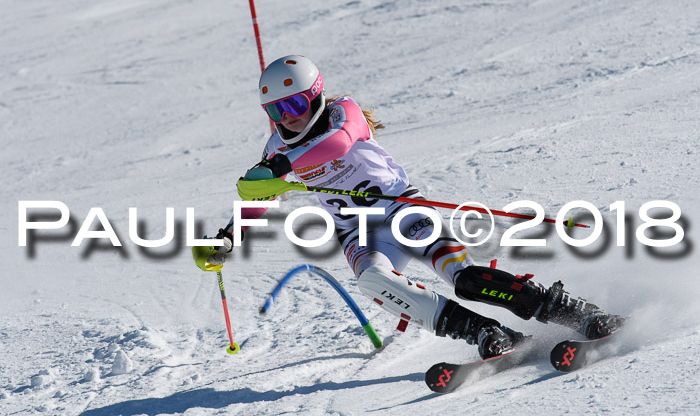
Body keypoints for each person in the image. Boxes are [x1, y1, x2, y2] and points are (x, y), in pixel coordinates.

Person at [192, 55, 624, 359]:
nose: (287, 117)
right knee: (375, 281)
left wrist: (282, 165)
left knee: (466, 278)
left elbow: (338, 145)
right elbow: (259, 196)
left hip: (404, 213)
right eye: (276, 110)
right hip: (357, 231)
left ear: (316, 95)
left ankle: (573, 312)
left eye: (294, 104)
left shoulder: (344, 113)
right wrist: (229, 235)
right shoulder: (276, 145)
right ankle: (483, 331)